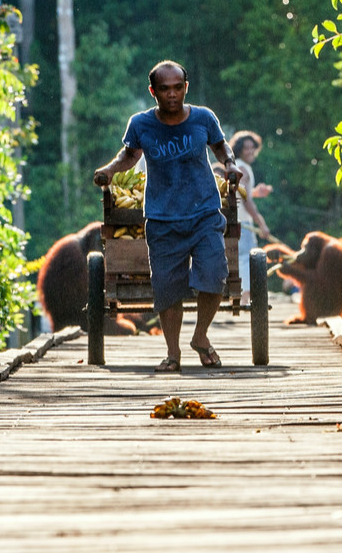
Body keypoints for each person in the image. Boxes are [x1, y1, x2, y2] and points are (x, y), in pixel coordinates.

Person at [93, 60, 240, 372]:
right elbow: (129, 155)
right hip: (162, 219)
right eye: (165, 89)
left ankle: (200, 337)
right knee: (167, 288)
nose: (172, 94)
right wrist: (109, 169)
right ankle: (173, 355)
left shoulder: (203, 118)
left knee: (215, 276)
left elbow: (220, 145)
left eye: (177, 88)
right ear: (153, 91)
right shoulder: (141, 124)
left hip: (203, 213)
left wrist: (230, 164)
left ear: (186, 88)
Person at [230, 130, 273, 306]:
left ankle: (241, 297)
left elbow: (241, 195)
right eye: (246, 148)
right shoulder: (243, 168)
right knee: (246, 259)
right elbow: (246, 201)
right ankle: (244, 297)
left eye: (252, 148)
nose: (250, 151)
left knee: (239, 258)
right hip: (244, 223)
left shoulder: (236, 166)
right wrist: (262, 224)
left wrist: (256, 192)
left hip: (235, 221)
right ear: (239, 149)